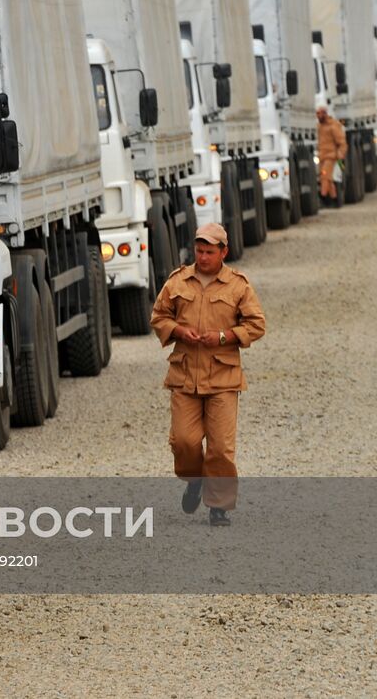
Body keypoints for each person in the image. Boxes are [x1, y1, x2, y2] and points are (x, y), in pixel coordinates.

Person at [149, 223, 266, 527]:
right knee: (184, 442)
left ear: (223, 253)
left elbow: (256, 325)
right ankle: (194, 479)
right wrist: (177, 330)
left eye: (209, 252)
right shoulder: (177, 282)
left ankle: (219, 506)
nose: (202, 258)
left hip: (223, 378)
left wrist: (225, 337)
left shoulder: (238, 285)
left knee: (220, 447)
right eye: (199, 251)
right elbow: (158, 316)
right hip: (185, 375)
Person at [316, 103, 347, 205]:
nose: (318, 116)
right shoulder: (320, 126)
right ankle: (334, 198)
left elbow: (341, 142)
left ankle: (323, 196)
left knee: (325, 176)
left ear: (324, 114)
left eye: (319, 114)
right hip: (322, 156)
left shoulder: (333, 126)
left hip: (330, 156)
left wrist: (340, 154)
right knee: (328, 179)